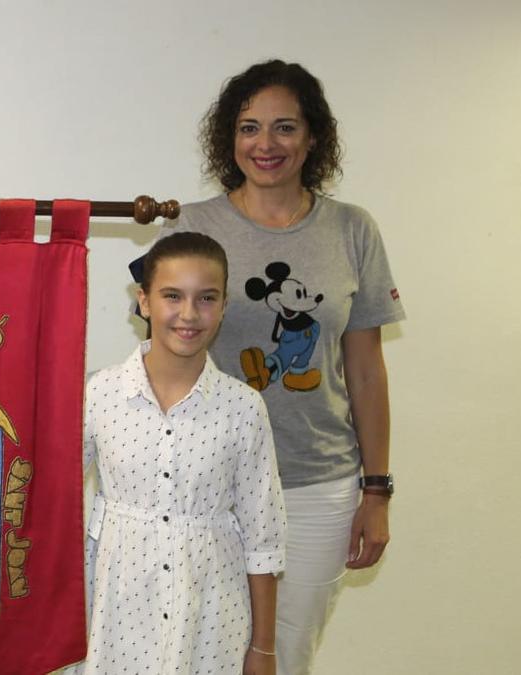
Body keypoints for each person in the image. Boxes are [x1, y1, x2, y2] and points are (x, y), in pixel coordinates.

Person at [166, 60, 406, 674]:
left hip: (316, 483)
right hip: (208, 481)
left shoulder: (353, 230)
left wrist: (375, 490)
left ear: (313, 138)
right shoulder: (192, 226)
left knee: (282, 655)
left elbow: (367, 368)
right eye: (249, 128)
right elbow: (165, 356)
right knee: (199, 650)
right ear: (230, 139)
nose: (265, 144)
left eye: (283, 128)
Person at [83, 232, 286, 675]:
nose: (189, 314)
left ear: (225, 305)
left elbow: (263, 539)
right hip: (115, 610)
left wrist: (264, 648)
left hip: (211, 613)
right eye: (172, 296)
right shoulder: (99, 394)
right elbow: (50, 502)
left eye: (206, 298)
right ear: (144, 301)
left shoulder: (243, 408)